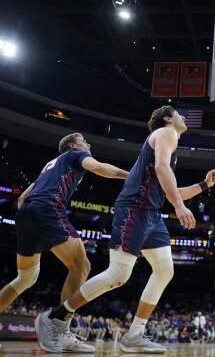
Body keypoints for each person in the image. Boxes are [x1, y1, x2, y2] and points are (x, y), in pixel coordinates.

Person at [35, 106, 215, 353]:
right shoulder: (167, 133)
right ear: (167, 118)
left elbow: (170, 188)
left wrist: (203, 185)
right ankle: (55, 318)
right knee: (118, 275)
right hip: (134, 208)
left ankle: (135, 335)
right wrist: (179, 206)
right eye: (178, 113)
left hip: (152, 213)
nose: (183, 117)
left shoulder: (167, 143)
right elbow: (163, 172)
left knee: (165, 270)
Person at [0, 132, 128, 352]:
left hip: (26, 214)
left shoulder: (49, 166)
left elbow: (21, 199)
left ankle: (59, 328)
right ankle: (59, 328)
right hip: (47, 209)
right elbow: (99, 168)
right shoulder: (74, 155)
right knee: (81, 265)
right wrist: (132, 175)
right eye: (84, 142)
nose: (88, 144)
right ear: (72, 146)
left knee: (25, 278)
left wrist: (32, 226)